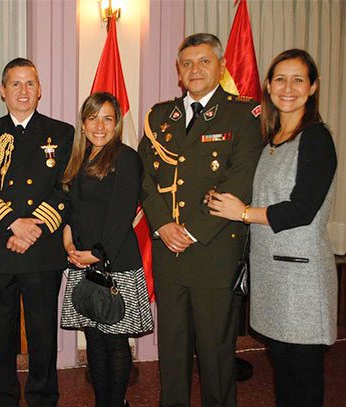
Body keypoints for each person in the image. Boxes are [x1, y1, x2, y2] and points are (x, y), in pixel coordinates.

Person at [137, 33, 263, 406]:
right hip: (168, 248)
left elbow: (240, 180)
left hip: (213, 250)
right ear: (178, 71)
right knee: (172, 349)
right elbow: (143, 176)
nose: (195, 69)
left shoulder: (244, 114)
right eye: (187, 63)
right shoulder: (161, 116)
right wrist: (162, 225)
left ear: (221, 67)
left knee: (216, 351)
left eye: (204, 61)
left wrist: (191, 231)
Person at [207, 49, 337, 407]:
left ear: (313, 87)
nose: (288, 88)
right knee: (282, 367)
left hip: (302, 280)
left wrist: (243, 213)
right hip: (270, 274)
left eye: (298, 80)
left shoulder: (316, 138)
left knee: (304, 373)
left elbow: (302, 209)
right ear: (268, 85)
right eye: (280, 79)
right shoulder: (271, 140)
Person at [0, 57, 73, 406]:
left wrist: (33, 228)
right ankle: (5, 397)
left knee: (43, 334)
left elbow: (66, 187)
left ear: (40, 90)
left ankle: (43, 397)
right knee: (1, 335)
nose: (23, 90)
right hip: (0, 247)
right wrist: (13, 223)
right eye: (15, 83)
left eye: (30, 83)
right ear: (3, 90)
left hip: (42, 250)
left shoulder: (62, 133)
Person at [59, 92, 154, 407]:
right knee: (94, 341)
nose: (99, 126)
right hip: (83, 262)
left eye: (107, 118)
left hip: (115, 264)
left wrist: (97, 254)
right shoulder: (78, 159)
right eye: (93, 118)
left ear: (117, 124)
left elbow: (121, 215)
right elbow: (71, 211)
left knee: (115, 342)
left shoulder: (126, 158)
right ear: (83, 123)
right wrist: (69, 243)